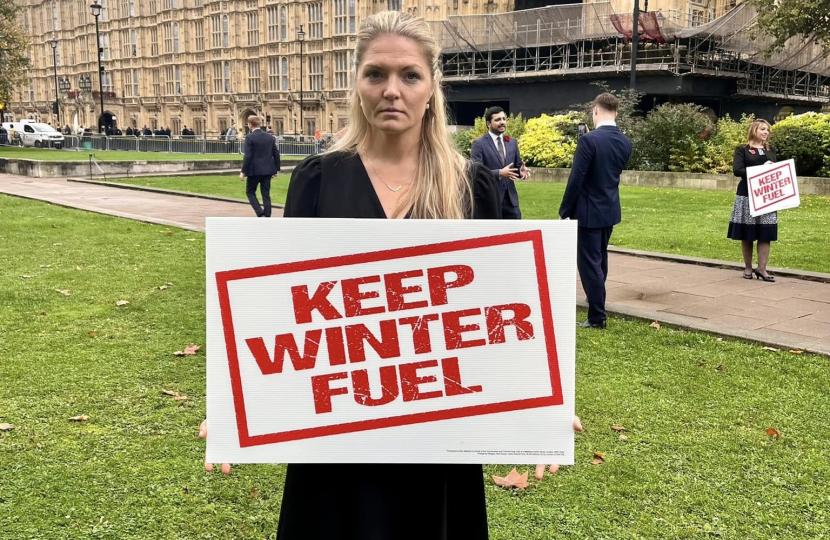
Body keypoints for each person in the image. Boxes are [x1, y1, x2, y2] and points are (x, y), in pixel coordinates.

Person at [202, 11, 581, 540]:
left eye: (409, 75)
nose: (391, 90)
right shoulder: (317, 179)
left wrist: (546, 405)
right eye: (375, 74)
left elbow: (508, 310)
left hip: (439, 439)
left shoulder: (472, 187)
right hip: (338, 441)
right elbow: (284, 305)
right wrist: (234, 404)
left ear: (432, 88)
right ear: (357, 84)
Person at [558, 93, 632, 330]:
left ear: (595, 111)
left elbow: (576, 179)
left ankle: (597, 315)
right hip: (609, 208)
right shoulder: (625, 142)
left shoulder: (589, 141)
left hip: (588, 210)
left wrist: (565, 210)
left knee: (589, 263)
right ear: (616, 113)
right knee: (600, 259)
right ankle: (595, 300)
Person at [729, 119, 777, 282]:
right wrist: (759, 170)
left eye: (767, 130)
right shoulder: (743, 149)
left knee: (766, 233)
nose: (766, 132)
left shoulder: (770, 150)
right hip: (747, 195)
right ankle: (748, 268)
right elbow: (738, 170)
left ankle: (762, 269)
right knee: (748, 233)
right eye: (762, 129)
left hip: (767, 195)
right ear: (754, 130)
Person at [470, 106, 530, 219]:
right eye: (498, 120)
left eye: (503, 119)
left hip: (511, 202)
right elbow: (476, 173)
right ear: (488, 124)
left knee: (516, 234)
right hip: (490, 200)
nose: (502, 122)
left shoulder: (512, 142)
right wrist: (499, 173)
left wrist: (521, 172)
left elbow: (515, 168)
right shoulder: (479, 144)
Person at [239, 115, 281, 217]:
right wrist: (276, 169)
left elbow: (248, 156)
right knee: (266, 194)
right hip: (267, 170)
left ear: (249, 125)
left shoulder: (249, 137)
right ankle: (267, 215)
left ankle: (259, 212)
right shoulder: (269, 137)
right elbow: (276, 153)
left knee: (250, 192)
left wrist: (243, 171)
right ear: (259, 124)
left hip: (254, 170)